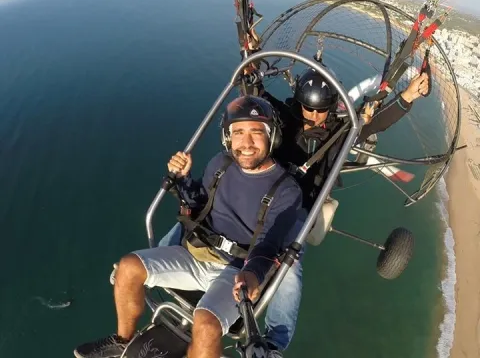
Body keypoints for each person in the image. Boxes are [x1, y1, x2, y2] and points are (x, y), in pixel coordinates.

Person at [73, 95, 306, 358]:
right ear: (228, 138)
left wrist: (252, 274)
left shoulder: (287, 190)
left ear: (271, 137)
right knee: (127, 269)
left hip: (237, 271)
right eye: (238, 132)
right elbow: (199, 205)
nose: (247, 143)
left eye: (256, 133)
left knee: (206, 326)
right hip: (197, 254)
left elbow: (269, 243)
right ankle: (122, 341)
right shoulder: (221, 164)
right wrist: (184, 181)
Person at [261, 69, 430, 209]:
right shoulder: (284, 118)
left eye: (321, 110)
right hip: (268, 189)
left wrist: (407, 96)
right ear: (300, 103)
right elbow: (257, 95)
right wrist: (252, 57)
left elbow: (376, 123)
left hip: (303, 203)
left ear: (330, 108)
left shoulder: (338, 133)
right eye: (309, 107)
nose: (314, 115)